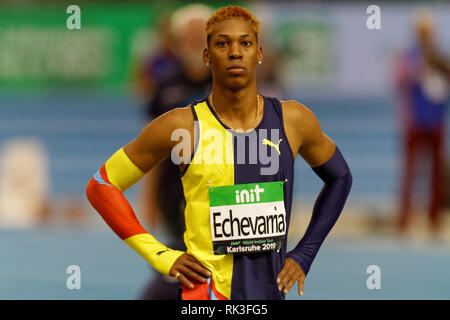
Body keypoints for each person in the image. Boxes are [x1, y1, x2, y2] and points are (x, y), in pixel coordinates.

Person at [86, 5, 352, 300]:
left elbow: (340, 177)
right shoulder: (180, 126)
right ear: (207, 56)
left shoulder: (293, 121)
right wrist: (161, 255)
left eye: (246, 43)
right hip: (206, 297)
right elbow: (102, 186)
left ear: (260, 53)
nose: (235, 52)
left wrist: (304, 254)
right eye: (223, 43)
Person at [133, 4, 213, 300]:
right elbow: (150, 148)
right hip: (175, 191)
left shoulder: (234, 81)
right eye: (189, 36)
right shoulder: (165, 84)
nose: (195, 42)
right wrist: (148, 198)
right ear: (178, 43)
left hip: (223, 196)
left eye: (201, 35)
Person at [394, 9, 449, 234]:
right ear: (416, 33)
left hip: (435, 123)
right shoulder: (409, 57)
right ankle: (404, 219)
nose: (425, 36)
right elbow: (399, 81)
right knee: (410, 172)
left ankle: (434, 219)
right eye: (422, 32)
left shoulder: (439, 57)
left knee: (436, 174)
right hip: (414, 122)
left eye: (428, 32)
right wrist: (415, 70)